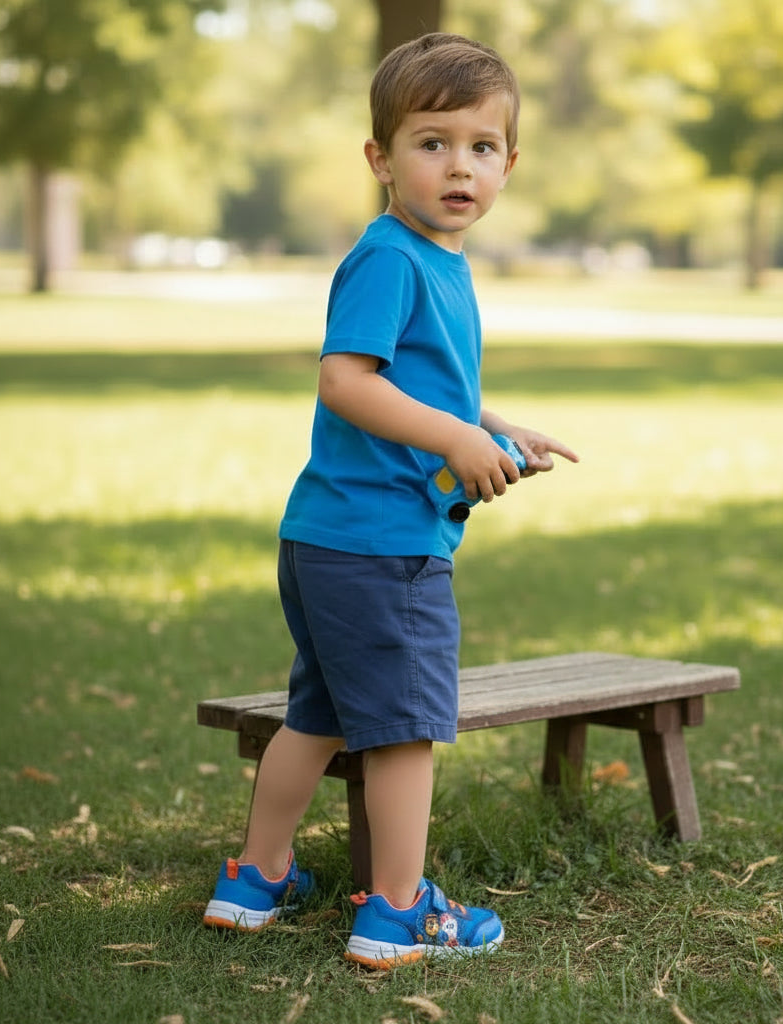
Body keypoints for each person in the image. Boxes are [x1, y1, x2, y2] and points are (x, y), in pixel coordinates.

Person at [203, 31, 578, 968]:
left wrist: (490, 425)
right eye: (432, 142)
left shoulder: (434, 260)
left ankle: (259, 877)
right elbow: (347, 382)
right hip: (383, 549)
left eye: (481, 147)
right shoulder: (392, 259)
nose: (460, 166)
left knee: (319, 715)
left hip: (329, 539)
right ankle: (400, 909)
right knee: (406, 728)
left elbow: (424, 384)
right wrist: (455, 440)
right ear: (380, 158)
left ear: (509, 164)